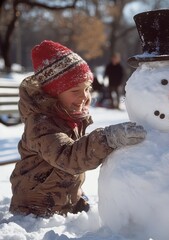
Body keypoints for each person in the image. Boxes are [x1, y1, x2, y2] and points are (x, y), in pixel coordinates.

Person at [10, 40, 146, 218]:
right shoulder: (40, 124)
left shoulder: (67, 116)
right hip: (34, 209)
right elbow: (68, 157)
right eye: (75, 90)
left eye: (87, 89)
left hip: (59, 201)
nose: (85, 96)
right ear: (53, 93)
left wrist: (75, 195)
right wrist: (107, 138)